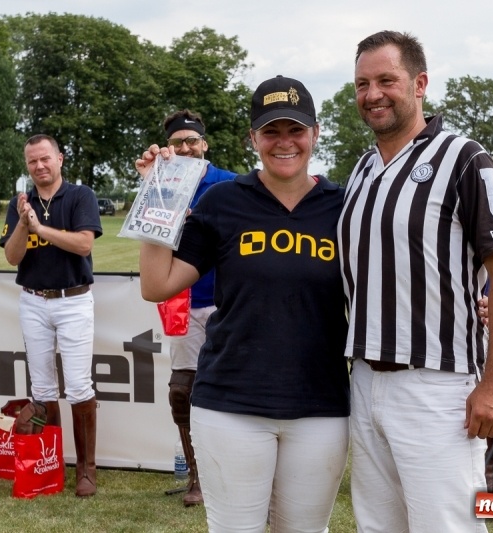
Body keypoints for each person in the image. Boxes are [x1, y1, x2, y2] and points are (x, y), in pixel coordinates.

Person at [137, 76, 350, 532]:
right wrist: (159, 192)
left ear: (315, 133)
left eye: (296, 130)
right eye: (271, 131)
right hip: (230, 405)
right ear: (252, 138)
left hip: (319, 406)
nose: (284, 142)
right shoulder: (224, 200)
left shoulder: (344, 206)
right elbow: (157, 284)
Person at [339, 31, 493, 532]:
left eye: (386, 80)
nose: (372, 94)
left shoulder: (464, 158)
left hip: (436, 385)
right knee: (379, 525)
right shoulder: (361, 168)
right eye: (361, 83)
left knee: (447, 524)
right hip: (365, 378)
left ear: (419, 83)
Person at [0, 134, 103, 498]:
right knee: (41, 389)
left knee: (78, 386)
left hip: (72, 299)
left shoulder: (80, 196)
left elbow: (84, 244)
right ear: (27, 165)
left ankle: (86, 470)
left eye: (45, 158)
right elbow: (13, 257)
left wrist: (41, 228)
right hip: (33, 299)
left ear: (60, 159)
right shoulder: (20, 203)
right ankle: (49, 461)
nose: (40, 166)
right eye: (32, 161)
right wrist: (23, 224)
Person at [159, 109, 236, 507]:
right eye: (177, 142)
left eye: (192, 140)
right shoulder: (161, 181)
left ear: (204, 144)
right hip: (184, 300)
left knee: (234, 388)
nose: (185, 147)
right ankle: (197, 477)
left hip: (228, 301)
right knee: (182, 391)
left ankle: (239, 473)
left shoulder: (229, 183)